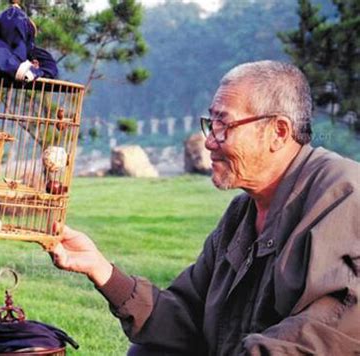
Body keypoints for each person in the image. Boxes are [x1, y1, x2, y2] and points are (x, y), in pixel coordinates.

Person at [50, 60, 360, 355]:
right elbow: (186, 317)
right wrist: (101, 269)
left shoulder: (342, 193)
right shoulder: (241, 215)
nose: (210, 141)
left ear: (278, 132)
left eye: (224, 125)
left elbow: (326, 334)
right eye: (211, 124)